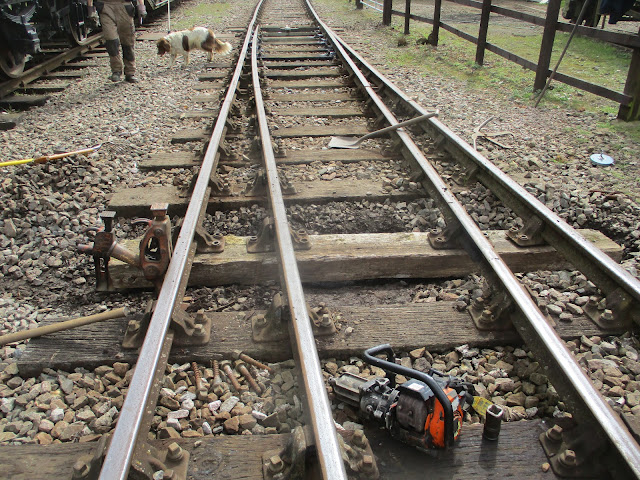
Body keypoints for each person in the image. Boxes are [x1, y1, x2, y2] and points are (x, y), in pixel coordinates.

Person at [87, 0, 147, 83]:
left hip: (124, 6)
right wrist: (91, 9)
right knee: (111, 40)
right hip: (106, 6)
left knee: (128, 41)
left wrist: (141, 7)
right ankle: (116, 70)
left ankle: (130, 72)